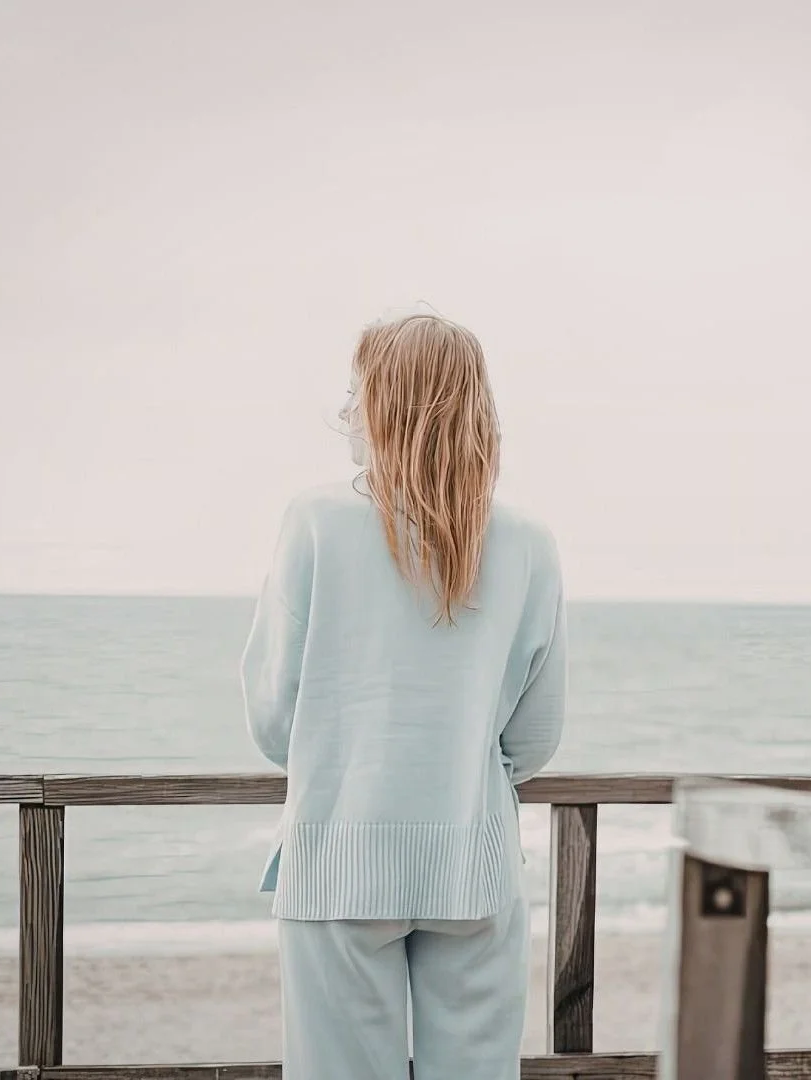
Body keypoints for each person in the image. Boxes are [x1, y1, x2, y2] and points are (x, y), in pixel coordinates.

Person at [241, 312, 566, 1080]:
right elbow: (535, 736)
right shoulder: (527, 541)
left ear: (387, 405)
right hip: (472, 855)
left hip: (340, 853)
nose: (345, 409)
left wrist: (346, 759)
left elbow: (274, 716)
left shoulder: (315, 521)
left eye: (357, 391)